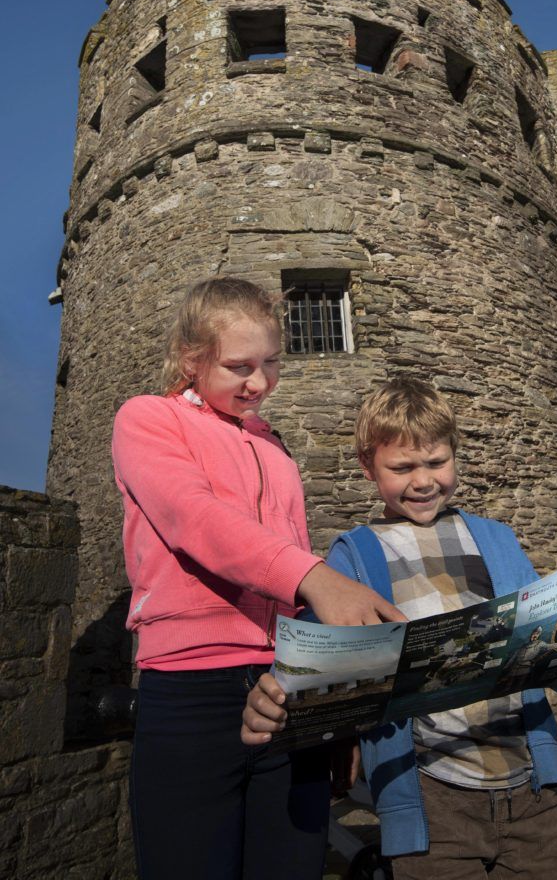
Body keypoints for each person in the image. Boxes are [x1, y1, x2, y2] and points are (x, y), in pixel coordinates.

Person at [242, 377, 557, 880]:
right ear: (367, 467)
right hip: (428, 797)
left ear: (455, 454)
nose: (423, 481)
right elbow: (318, 661)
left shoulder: (498, 539)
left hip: (530, 787)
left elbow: (549, 654)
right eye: (401, 467)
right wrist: (276, 696)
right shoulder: (354, 554)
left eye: (437, 462)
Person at [112, 276, 403, 880]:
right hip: (191, 688)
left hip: (288, 686)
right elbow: (195, 519)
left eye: (271, 362)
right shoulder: (146, 420)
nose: (260, 382)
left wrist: (335, 714)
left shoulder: (274, 448)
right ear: (192, 358)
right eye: (239, 366)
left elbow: (292, 579)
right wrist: (316, 578)